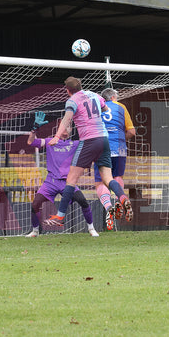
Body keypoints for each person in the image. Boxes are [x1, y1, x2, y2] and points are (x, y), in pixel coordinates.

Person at [45, 77, 132, 226]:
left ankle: (60, 216)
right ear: (81, 86)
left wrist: (57, 136)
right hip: (104, 139)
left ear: (67, 90)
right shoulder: (94, 95)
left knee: (71, 179)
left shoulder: (72, 101)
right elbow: (105, 109)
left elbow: (67, 119)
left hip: (89, 140)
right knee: (107, 177)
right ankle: (123, 198)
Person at [25, 111, 99, 237]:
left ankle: (91, 229)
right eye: (63, 126)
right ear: (58, 128)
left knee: (83, 202)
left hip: (68, 183)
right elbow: (31, 142)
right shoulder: (50, 142)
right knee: (35, 204)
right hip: (51, 182)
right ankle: (35, 231)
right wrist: (34, 129)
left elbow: (92, 143)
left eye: (68, 126)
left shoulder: (75, 144)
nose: (65, 128)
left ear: (71, 130)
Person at [93, 87, 136, 231]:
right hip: (119, 147)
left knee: (100, 181)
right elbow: (131, 131)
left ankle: (108, 207)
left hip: (101, 147)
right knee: (117, 176)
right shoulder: (121, 107)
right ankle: (120, 200)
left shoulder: (97, 108)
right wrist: (122, 138)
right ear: (112, 98)